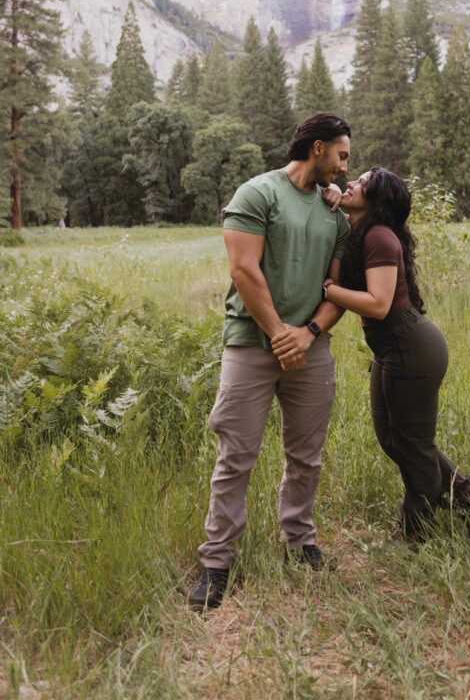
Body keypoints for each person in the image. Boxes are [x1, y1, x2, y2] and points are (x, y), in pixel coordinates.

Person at [188, 114, 351, 611]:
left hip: (310, 349)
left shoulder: (336, 216)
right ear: (318, 148)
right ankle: (217, 562)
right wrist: (281, 334)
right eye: (341, 155)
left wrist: (309, 333)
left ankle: (299, 543)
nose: (345, 167)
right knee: (235, 456)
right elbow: (243, 268)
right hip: (250, 346)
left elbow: (337, 290)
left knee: (307, 456)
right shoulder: (256, 194)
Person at [322, 167, 470, 546]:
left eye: (362, 183)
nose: (352, 183)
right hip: (392, 348)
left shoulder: (380, 237)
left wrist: (330, 291)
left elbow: (379, 304)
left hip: (410, 347)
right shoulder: (363, 230)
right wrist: (331, 193)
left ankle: (417, 532)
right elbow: (329, 199)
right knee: (392, 438)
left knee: (413, 445)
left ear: (377, 199)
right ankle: (469, 492)